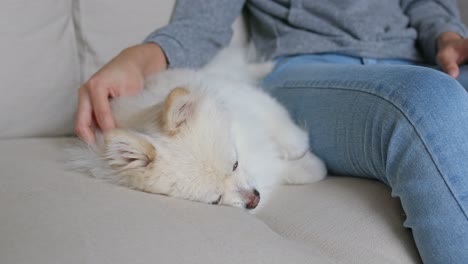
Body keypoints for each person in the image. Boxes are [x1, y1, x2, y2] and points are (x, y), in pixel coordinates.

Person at [75, 1, 468, 263]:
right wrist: (139, 58)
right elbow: (201, 23)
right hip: (312, 67)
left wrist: (449, 36)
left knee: (435, 88)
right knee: (430, 101)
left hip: (424, 59)